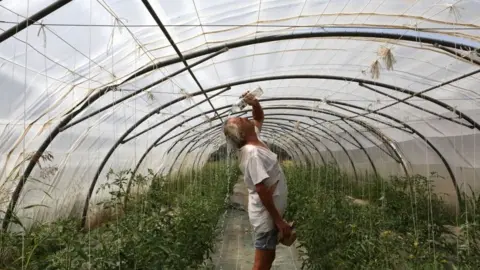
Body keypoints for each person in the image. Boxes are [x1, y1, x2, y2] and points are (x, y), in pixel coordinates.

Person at [223, 91, 292, 270]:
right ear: (240, 133)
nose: (244, 118)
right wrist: (278, 220)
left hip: (270, 216)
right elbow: (261, 190)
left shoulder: (255, 137)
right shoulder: (252, 154)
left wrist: (254, 104)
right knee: (261, 264)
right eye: (240, 120)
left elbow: (259, 117)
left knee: (268, 259)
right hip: (266, 218)